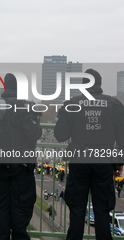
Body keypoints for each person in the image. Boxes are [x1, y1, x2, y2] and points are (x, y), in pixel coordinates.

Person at [54, 69, 124, 240]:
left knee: (77, 208)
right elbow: (121, 137)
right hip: (104, 161)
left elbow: (60, 135)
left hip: (79, 160)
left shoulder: (73, 104)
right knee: (102, 209)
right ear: (99, 84)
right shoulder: (113, 104)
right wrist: (119, 162)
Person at [0, 73, 42, 240]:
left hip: (0, 164)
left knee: (3, 208)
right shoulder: (24, 106)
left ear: (4, 88)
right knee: (21, 208)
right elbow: (34, 134)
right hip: (20, 166)